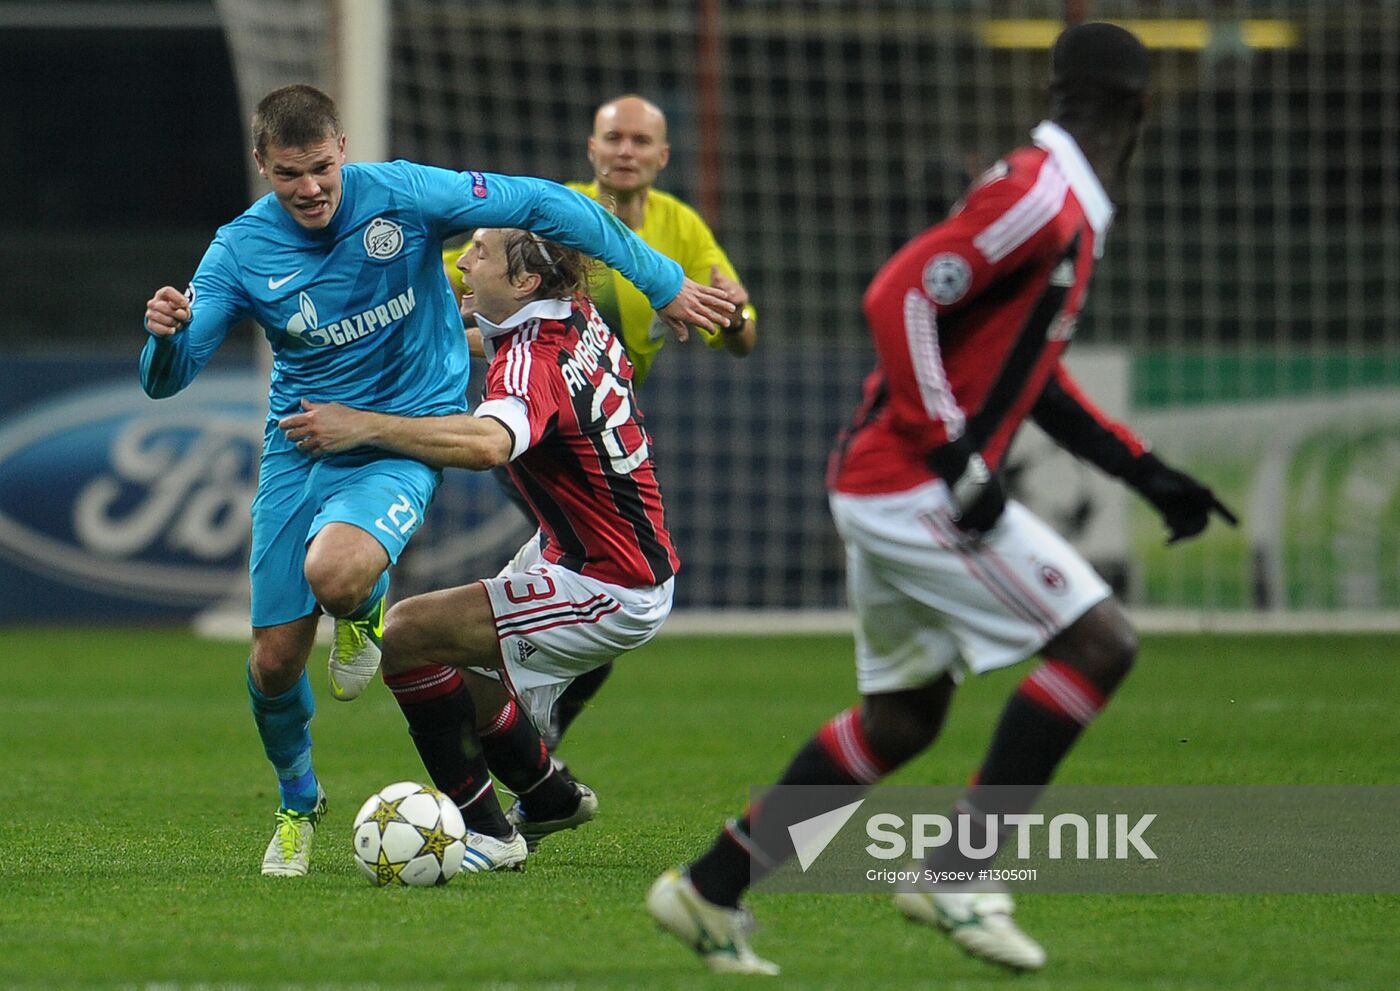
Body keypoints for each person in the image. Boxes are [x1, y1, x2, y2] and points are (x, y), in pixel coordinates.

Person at [647, 23, 1237, 975]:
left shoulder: (1063, 198)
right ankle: (960, 872)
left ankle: (710, 888)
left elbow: (1030, 374)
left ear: (1054, 89)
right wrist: (958, 454)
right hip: (911, 480)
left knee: (903, 719)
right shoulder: (1042, 194)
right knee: (1100, 643)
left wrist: (1143, 468)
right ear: (1143, 107)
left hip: (885, 479)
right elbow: (898, 297)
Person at [139, 84, 732, 879]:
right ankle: (301, 798)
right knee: (275, 661)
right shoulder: (241, 249)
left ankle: (477, 803)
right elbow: (169, 376)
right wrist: (166, 342)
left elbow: (551, 206)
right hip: (302, 439)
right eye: (290, 174)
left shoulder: (407, 198)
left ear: (343, 148)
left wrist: (662, 280)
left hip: (403, 429)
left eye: (321, 168)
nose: (310, 188)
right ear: (262, 166)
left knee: (352, 584)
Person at [278, 227, 680, 871]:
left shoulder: (531, 362)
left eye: (481, 253)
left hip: (610, 585)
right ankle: (547, 796)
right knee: (461, 666)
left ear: (523, 282)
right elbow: (472, 334)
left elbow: (491, 444)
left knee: (407, 634)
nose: (463, 260)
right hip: (582, 552)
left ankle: (490, 834)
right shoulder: (569, 314)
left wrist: (364, 426)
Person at [444, 93, 757, 751]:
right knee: (594, 576)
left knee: (588, 581)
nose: (626, 151)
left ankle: (523, 721)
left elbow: (742, 332)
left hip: (605, 426)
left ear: (662, 157)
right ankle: (527, 720)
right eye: (614, 139)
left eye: (641, 142)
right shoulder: (555, 218)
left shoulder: (681, 229)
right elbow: (463, 278)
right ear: (592, 150)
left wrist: (736, 316)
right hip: (543, 425)